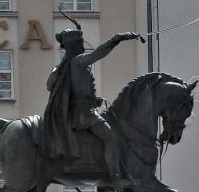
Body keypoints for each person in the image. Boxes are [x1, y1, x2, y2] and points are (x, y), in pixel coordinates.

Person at [39, 24, 139, 180]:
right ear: (75, 45)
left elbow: (75, 91)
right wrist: (117, 38)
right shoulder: (77, 61)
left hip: (79, 111)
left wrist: (93, 99)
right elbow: (98, 54)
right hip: (84, 115)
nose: (83, 47)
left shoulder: (65, 65)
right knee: (111, 138)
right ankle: (116, 177)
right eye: (80, 43)